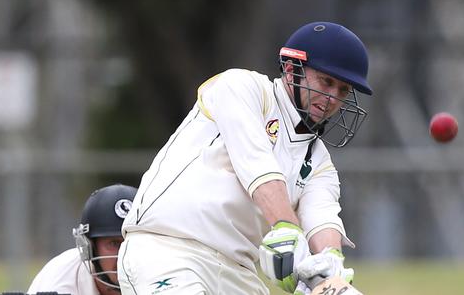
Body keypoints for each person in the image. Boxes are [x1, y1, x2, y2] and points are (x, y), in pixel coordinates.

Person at [117, 21, 373, 295]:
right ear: (291, 69)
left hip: (238, 273)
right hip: (168, 249)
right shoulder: (242, 87)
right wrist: (287, 229)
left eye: (343, 90)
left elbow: (321, 217)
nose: (332, 97)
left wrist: (329, 269)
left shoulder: (319, 160)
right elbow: (256, 164)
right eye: (327, 82)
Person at [28, 184, 138, 295]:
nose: (125, 256)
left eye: (135, 243)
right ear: (90, 248)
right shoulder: (59, 284)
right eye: (114, 243)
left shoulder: (155, 275)